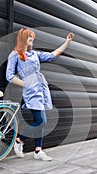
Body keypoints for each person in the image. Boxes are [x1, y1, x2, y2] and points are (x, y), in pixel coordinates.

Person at [6, 27, 74, 161]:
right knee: (42, 121)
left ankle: (38, 150)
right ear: (23, 39)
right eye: (29, 37)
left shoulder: (34, 54)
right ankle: (19, 140)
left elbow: (52, 55)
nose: (32, 39)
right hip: (31, 91)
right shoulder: (14, 55)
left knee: (39, 120)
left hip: (41, 89)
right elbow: (9, 75)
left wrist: (67, 43)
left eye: (32, 37)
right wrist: (25, 84)